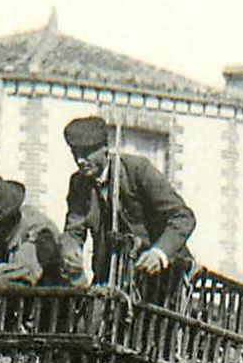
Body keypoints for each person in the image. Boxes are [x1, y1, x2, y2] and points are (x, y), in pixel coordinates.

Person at [62, 115, 196, 285]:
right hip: (111, 276)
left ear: (105, 148)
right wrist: (70, 249)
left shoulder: (138, 170)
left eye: (87, 153)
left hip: (161, 279)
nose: (80, 161)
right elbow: (73, 230)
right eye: (75, 153)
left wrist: (159, 252)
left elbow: (183, 217)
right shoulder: (79, 184)